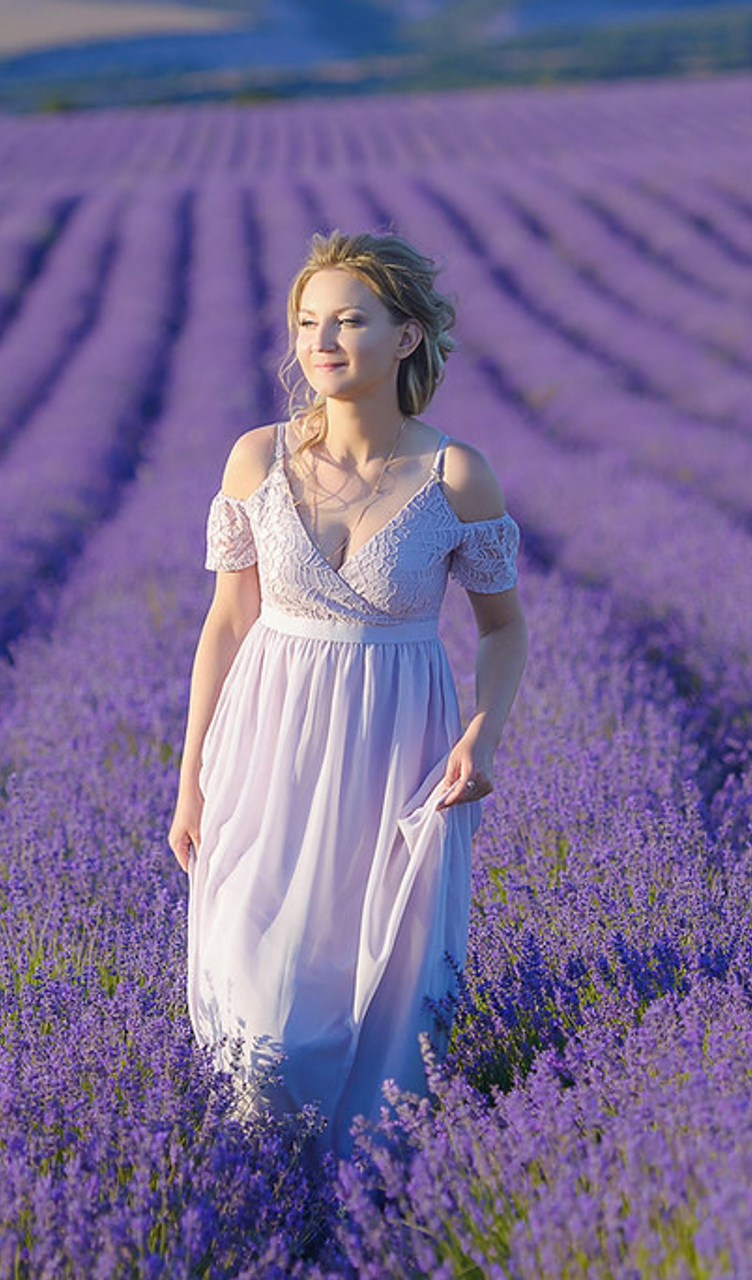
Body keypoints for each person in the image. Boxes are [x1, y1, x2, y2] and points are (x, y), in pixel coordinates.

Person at [168, 230, 528, 1160]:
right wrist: (190, 779)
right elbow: (225, 623)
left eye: (349, 320)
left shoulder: (457, 475)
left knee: (378, 987)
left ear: (406, 337)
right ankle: (257, 1184)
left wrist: (482, 740)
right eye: (306, 322)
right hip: (266, 745)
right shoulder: (254, 460)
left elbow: (503, 628)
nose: (322, 340)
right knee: (259, 988)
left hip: (395, 749)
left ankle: (365, 1196)